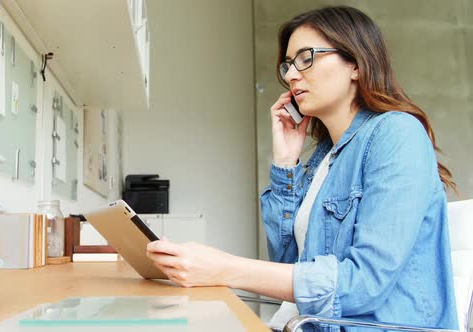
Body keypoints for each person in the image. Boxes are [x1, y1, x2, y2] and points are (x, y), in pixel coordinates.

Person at [146, 5, 459, 331]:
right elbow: (291, 269)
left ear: (355, 63)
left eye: (306, 58)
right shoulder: (324, 158)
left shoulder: (397, 133)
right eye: (288, 65)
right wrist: (285, 162)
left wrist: (225, 268)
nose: (292, 74)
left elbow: (365, 282)